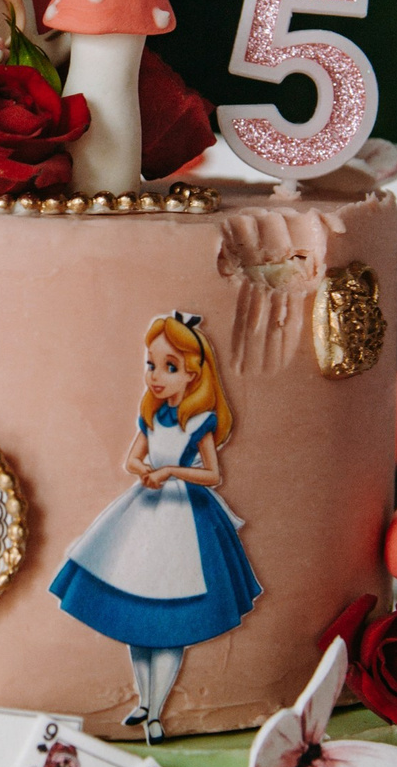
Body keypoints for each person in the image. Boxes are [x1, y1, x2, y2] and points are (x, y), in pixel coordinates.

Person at [49, 310, 260, 742]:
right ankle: (144, 701)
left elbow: (212, 474)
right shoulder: (153, 416)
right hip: (144, 512)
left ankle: (157, 712)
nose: (156, 376)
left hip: (185, 518)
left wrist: (171, 472)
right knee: (137, 616)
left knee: (172, 622)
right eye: (151, 365)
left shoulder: (198, 422)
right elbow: (132, 457)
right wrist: (143, 470)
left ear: (192, 374)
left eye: (169, 367)